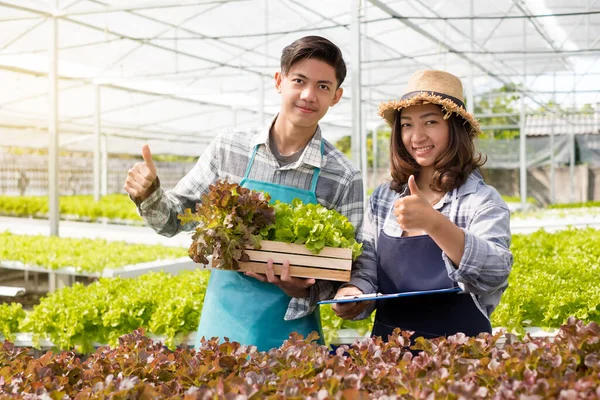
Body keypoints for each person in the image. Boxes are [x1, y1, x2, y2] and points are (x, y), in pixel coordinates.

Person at [123, 36, 364, 351]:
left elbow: (350, 271)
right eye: (299, 81)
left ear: (336, 96)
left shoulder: (344, 176)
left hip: (292, 339)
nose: (308, 95)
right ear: (279, 82)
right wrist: (149, 194)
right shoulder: (229, 148)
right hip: (222, 329)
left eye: (322, 86)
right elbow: (173, 221)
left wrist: (305, 290)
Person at [332, 70, 513, 342]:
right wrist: (353, 294)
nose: (416, 136)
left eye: (430, 122)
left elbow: (494, 273)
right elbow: (367, 268)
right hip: (389, 354)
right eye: (406, 125)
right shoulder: (384, 198)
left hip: (462, 357)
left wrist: (434, 223)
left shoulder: (481, 201)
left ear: (455, 128)